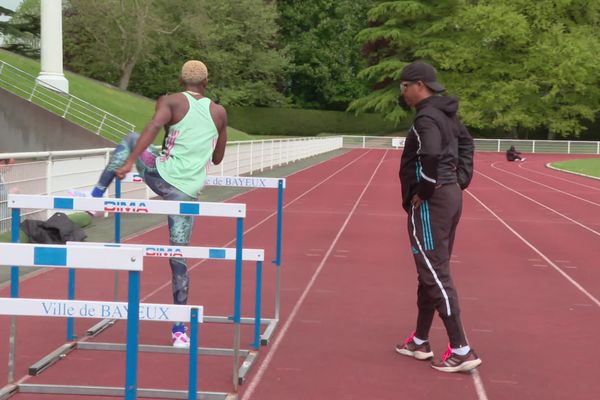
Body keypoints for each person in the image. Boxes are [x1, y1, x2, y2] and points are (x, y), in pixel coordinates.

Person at [87, 60, 227, 348]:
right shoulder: (219, 112)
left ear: (180, 80)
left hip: (161, 176)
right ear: (206, 83)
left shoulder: (171, 101)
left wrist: (128, 163)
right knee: (178, 259)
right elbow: (217, 158)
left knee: (130, 139)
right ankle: (179, 330)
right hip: (186, 193)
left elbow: (152, 127)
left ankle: (96, 197)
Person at [394, 61, 482, 372]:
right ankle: (420, 341)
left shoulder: (427, 119)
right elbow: (467, 143)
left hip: (433, 202)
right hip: (450, 196)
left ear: (419, 85)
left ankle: (461, 349)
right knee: (430, 269)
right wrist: (460, 179)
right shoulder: (446, 114)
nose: (402, 93)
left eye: (404, 87)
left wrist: (427, 188)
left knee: (435, 271)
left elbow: (430, 154)